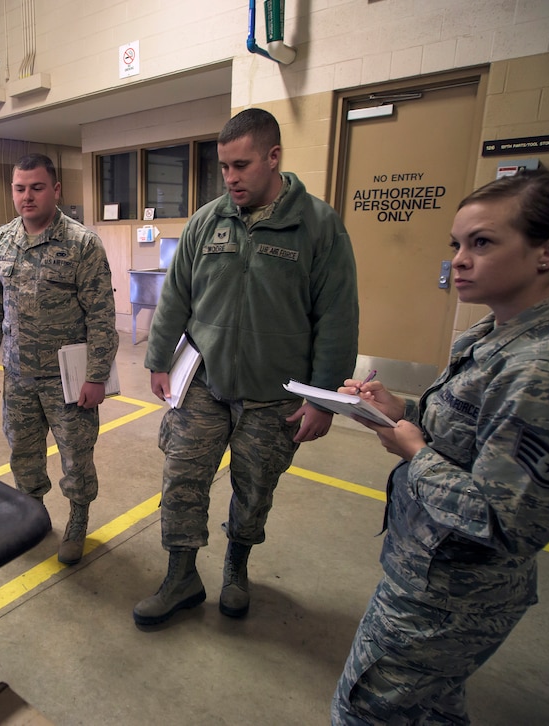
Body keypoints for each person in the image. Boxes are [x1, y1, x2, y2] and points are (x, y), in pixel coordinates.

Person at [330, 169, 549, 724]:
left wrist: (413, 450)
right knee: (431, 711)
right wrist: (400, 412)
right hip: (433, 571)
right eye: (457, 244)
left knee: (363, 711)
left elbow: (507, 521)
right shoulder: (495, 334)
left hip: (452, 594)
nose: (458, 259)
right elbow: (469, 436)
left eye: (481, 243)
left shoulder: (545, 370)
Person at [133, 108, 360, 627]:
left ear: (273, 157)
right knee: (181, 479)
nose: (231, 178)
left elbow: (338, 316)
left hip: (273, 396)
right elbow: (176, 297)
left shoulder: (318, 227)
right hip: (205, 384)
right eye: (224, 167)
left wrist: (324, 398)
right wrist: (158, 359)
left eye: (242, 165)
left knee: (255, 489)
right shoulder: (207, 221)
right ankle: (181, 575)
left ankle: (237, 566)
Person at [0, 153, 119, 566]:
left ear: (56, 190)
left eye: (37, 187)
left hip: (67, 380)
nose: (27, 196)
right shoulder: (1, 240)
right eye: (20, 188)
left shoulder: (82, 243)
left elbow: (101, 316)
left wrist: (96, 376)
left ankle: (77, 520)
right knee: (23, 452)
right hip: (18, 376)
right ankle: (34, 514)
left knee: (76, 454)